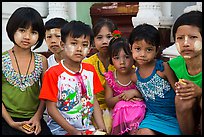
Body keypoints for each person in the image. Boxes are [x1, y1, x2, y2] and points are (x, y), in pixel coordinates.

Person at [39, 20, 106, 135]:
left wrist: (102, 128)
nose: (79, 48)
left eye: (84, 45)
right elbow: (51, 109)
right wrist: (73, 131)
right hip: (59, 131)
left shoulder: (90, 70)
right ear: (63, 45)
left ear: (90, 49)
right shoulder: (53, 73)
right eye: (74, 43)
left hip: (87, 129)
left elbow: (93, 100)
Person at [2, 7, 52, 135]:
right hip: (5, 118)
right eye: (22, 30)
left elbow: (45, 94)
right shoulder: (2, 60)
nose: (27, 36)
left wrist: (37, 117)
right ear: (12, 29)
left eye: (33, 32)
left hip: (33, 120)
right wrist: (10, 122)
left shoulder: (42, 61)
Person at [129, 23, 181, 135]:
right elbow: (146, 93)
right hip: (152, 117)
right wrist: (135, 93)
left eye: (148, 50)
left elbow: (178, 92)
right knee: (143, 133)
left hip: (173, 117)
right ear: (131, 48)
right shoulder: (134, 75)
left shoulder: (163, 68)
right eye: (138, 49)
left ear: (156, 50)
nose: (142, 54)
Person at [168, 10, 202, 135]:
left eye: (193, 37)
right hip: (191, 116)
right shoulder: (173, 65)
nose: (186, 43)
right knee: (181, 99)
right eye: (180, 38)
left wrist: (199, 92)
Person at [104, 35, 146, 135]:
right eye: (117, 58)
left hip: (138, 110)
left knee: (139, 106)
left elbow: (147, 94)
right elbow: (109, 102)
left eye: (126, 57)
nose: (122, 62)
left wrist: (134, 93)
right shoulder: (111, 78)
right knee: (121, 105)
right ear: (111, 60)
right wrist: (123, 97)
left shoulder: (138, 74)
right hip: (119, 114)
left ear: (133, 56)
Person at [82, 18, 117, 133]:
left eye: (109, 37)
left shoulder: (123, 62)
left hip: (117, 107)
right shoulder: (87, 64)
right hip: (94, 109)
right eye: (99, 38)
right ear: (93, 41)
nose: (105, 41)